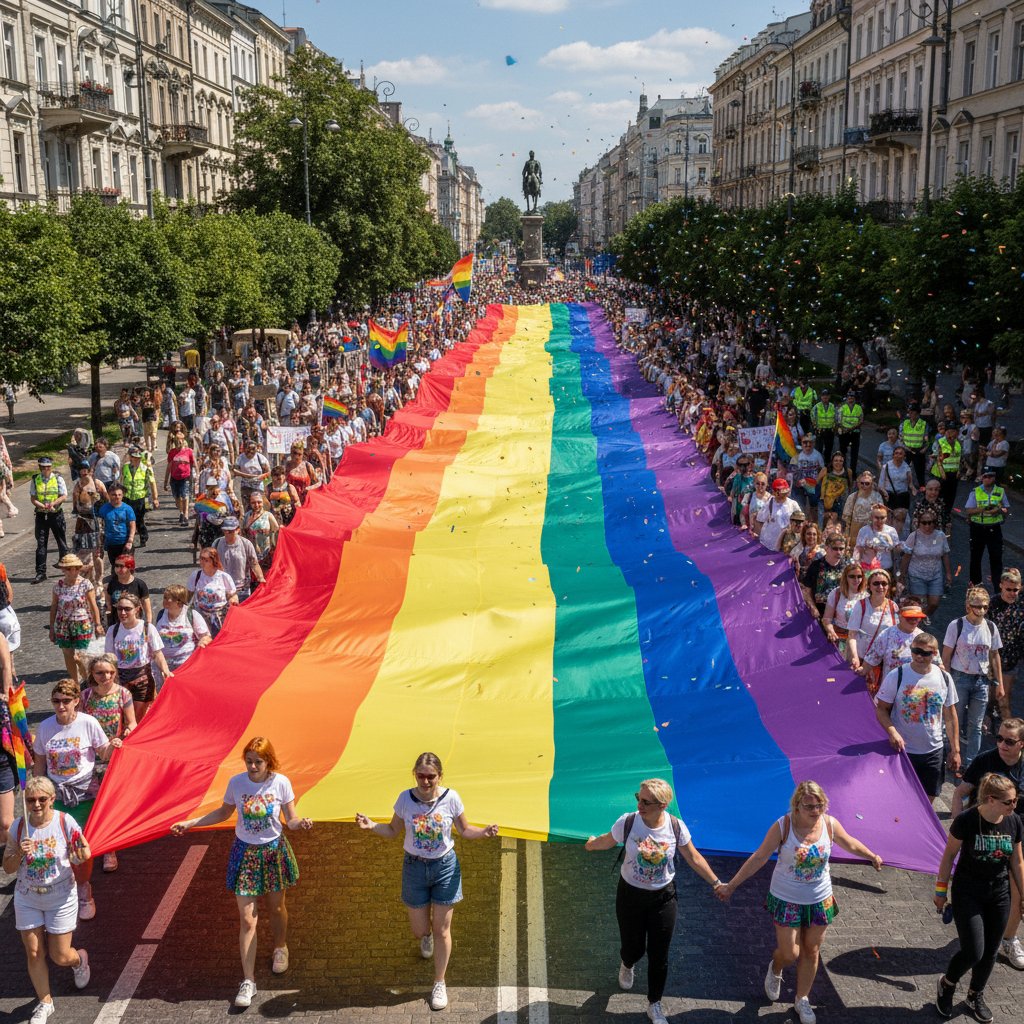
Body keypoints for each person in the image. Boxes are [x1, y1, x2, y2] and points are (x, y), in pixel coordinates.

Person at [715, 781, 882, 1024]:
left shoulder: (829, 824)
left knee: (812, 950)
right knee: (790, 952)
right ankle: (776, 967)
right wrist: (732, 885)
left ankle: (802, 999)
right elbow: (760, 857)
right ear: (797, 806)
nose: (816, 811)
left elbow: (850, 843)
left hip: (819, 899)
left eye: (820, 805)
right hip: (787, 899)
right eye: (809, 806)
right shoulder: (783, 826)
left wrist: (872, 855)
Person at [171, 737, 313, 1009]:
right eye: (248, 761)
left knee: (276, 908)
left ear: (269, 761)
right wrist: (190, 823)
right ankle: (248, 980)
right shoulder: (237, 783)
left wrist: (300, 824)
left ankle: (280, 947)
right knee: (247, 919)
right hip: (245, 854)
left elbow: (290, 819)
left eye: (258, 761)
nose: (252, 766)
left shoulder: (281, 783)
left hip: (273, 853)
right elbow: (224, 812)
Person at [354, 752, 499, 1012]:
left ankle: (439, 982)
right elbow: (392, 831)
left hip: (445, 867)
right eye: (421, 775)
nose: (425, 781)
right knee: (420, 929)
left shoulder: (451, 798)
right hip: (414, 868)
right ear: (415, 775)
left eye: (431, 776)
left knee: (443, 929)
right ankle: (425, 937)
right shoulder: (405, 799)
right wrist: (371, 826)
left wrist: (484, 833)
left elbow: (465, 830)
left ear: (439, 776)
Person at [584, 778, 722, 1024]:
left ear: (663, 805)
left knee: (660, 954)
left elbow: (693, 856)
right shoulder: (628, 822)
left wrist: (716, 883)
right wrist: (592, 845)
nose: (640, 805)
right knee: (633, 947)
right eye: (638, 798)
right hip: (630, 895)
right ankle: (627, 962)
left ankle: (654, 1004)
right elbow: (608, 840)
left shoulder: (675, 827)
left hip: (663, 898)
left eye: (647, 801)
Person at [2, 776, 92, 1024]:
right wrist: (19, 850)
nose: (37, 804)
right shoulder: (19, 827)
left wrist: (80, 853)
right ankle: (45, 1002)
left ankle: (79, 960)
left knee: (60, 956)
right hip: (27, 895)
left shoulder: (65, 821)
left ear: (52, 799)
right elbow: (8, 868)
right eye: (31, 800)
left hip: (60, 896)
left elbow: (84, 851)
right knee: (33, 952)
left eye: (43, 799)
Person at [934, 774, 1024, 1022]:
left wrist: (1023, 895)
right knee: (974, 950)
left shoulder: (1013, 821)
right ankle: (947, 983)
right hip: (968, 892)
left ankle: (975, 994)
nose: (1014, 806)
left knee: (991, 951)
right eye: (1009, 802)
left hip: (999, 893)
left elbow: (1017, 860)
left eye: (1015, 801)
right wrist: (940, 891)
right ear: (991, 799)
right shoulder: (967, 820)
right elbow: (949, 856)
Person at [32, 678, 123, 921]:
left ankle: (84, 893)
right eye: (55, 702)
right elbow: (40, 762)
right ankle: (67, 888)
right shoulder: (45, 727)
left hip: (84, 793)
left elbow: (102, 752)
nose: (60, 706)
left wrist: (112, 746)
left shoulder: (88, 723)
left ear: (76, 702)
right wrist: (36, 795)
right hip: (56, 795)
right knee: (60, 846)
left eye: (65, 701)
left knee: (80, 848)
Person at [951, 716, 1024, 972]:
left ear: (1021, 744)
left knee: (1018, 890)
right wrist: (959, 826)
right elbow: (960, 793)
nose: (1002, 744)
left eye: (1009, 741)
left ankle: (1009, 938)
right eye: (999, 738)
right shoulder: (985, 761)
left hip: (1016, 835)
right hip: (985, 834)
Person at [874, 632, 960, 803]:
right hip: (903, 750)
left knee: (930, 797)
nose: (919, 656)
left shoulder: (944, 678)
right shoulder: (896, 675)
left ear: (935, 654)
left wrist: (955, 750)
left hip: (933, 750)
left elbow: (950, 716)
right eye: (915, 651)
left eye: (925, 653)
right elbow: (881, 709)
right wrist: (893, 733)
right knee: (899, 797)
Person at [80, 653, 136, 874]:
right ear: (92, 674)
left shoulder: (123, 694)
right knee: (93, 800)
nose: (106, 677)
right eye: (100, 673)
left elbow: (132, 722)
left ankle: (109, 848)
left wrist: (126, 734)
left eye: (110, 672)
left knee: (109, 800)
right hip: (90, 755)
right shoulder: (84, 696)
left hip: (114, 753)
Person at [942, 588, 1005, 770]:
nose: (982, 610)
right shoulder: (956, 625)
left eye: (985, 606)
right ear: (968, 606)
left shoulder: (991, 627)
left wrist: (999, 683)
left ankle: (970, 764)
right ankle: (952, 756)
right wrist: (945, 680)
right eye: (978, 606)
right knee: (954, 719)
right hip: (959, 677)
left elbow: (995, 656)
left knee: (976, 725)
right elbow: (946, 655)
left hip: (981, 680)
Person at [105, 592, 172, 723]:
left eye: (127, 609)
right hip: (121, 679)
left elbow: (157, 653)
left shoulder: (146, 628)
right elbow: (109, 658)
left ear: (137, 609)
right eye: (119, 609)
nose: (123, 612)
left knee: (140, 717)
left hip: (143, 679)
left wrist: (165, 670)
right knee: (123, 718)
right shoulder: (113, 630)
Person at [48, 555, 104, 682]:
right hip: (63, 625)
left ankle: (87, 681)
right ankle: (76, 684)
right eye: (68, 569)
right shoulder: (58, 586)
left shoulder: (85, 584)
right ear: (63, 570)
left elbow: (93, 604)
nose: (72, 572)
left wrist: (98, 624)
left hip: (82, 624)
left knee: (80, 656)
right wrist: (52, 627)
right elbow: (54, 606)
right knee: (68, 655)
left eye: (75, 569)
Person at [153, 585, 211, 686]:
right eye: (164, 597)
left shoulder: (191, 614)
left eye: (168, 598)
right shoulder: (161, 614)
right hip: (164, 666)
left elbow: (206, 637)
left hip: (185, 666)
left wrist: (203, 642)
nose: (164, 600)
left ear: (179, 602)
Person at [898, 512, 952, 619]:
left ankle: (922, 618)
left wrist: (948, 573)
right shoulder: (914, 536)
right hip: (917, 575)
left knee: (934, 603)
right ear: (919, 523)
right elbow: (906, 557)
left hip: (935, 575)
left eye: (930, 522)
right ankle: (918, 624)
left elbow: (945, 555)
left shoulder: (940, 536)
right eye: (924, 523)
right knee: (920, 603)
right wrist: (902, 575)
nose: (927, 525)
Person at [846, 569, 898, 677]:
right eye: (876, 583)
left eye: (884, 583)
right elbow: (852, 634)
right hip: (862, 659)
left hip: (884, 662)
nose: (880, 587)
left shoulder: (893, 606)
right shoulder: (861, 605)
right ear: (869, 586)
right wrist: (855, 657)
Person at [859, 599, 928, 681]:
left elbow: (935, 665)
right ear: (900, 616)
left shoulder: (924, 638)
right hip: (890, 687)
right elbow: (870, 662)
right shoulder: (886, 634)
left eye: (917, 618)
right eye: (909, 617)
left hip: (913, 690)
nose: (913, 621)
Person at [966, 469, 1009, 587]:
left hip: (994, 529)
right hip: (978, 528)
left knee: (996, 557)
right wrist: (984, 509)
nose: (987, 479)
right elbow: (969, 510)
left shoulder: (1000, 491)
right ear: (982, 478)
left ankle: (997, 586)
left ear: (994, 478)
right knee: (975, 558)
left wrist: (999, 510)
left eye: (990, 476)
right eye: (985, 476)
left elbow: (1006, 510)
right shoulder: (975, 491)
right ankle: (975, 585)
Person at [989, 569, 1023, 721]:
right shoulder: (991, 604)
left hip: (1011, 661)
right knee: (990, 698)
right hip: (990, 660)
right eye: (1008, 589)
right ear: (1001, 585)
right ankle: (986, 723)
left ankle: (1010, 738)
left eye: (1015, 590)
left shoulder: (1021, 606)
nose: (1012, 593)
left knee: (1004, 698)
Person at [31, 457, 69, 585]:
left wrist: (53, 503)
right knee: (41, 544)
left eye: (48, 467)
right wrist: (40, 505)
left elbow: (64, 495)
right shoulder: (35, 479)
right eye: (44, 467)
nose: (46, 469)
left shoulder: (58, 478)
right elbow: (33, 498)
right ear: (40, 467)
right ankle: (41, 572)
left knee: (61, 542)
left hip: (56, 513)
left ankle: (67, 569)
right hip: (42, 515)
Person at [188, 547, 239, 637]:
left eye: (206, 560)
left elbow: (233, 596)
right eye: (201, 559)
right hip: (201, 618)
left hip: (220, 618)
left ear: (213, 561)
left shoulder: (224, 577)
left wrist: (233, 601)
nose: (202, 562)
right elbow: (188, 596)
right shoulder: (195, 576)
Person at [821, 563, 867, 660]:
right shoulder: (836, 593)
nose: (856, 580)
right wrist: (831, 631)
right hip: (840, 641)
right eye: (852, 576)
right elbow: (826, 619)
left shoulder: (866, 597)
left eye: (859, 576)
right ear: (845, 577)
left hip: (859, 642)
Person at [214, 518, 265, 601]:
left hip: (242, 591)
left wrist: (261, 578)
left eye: (230, 531)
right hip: (222, 589)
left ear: (238, 530)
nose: (227, 534)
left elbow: (254, 564)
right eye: (225, 531)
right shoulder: (217, 543)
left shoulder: (246, 544)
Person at [120, 447, 158, 548]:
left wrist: (155, 498)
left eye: (138, 458)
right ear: (130, 457)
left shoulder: (146, 469)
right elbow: (121, 480)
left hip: (141, 498)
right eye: (133, 457)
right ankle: (129, 539)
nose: (136, 459)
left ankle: (143, 536)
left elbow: (152, 483)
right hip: (127, 497)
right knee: (128, 519)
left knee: (139, 519)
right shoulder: (125, 467)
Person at [96, 483, 136, 568]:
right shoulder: (104, 509)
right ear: (109, 495)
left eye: (119, 495)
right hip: (111, 544)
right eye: (114, 495)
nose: (117, 497)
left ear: (122, 495)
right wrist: (99, 545)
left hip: (125, 543)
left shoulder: (128, 509)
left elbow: (132, 525)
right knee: (115, 567)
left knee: (126, 568)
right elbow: (100, 527)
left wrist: (130, 541)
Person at [104, 554, 152, 626]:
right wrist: (108, 607)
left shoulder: (139, 584)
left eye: (121, 566)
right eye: (116, 566)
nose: (118, 569)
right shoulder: (112, 583)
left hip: (134, 623)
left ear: (130, 568)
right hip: (116, 623)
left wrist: (148, 623)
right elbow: (108, 596)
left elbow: (147, 607)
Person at [878, 445, 915, 536]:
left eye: (900, 453)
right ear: (893, 455)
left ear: (904, 456)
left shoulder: (907, 468)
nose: (898, 455)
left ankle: (899, 539)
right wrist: (884, 492)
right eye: (896, 453)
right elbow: (880, 484)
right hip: (890, 496)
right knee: (889, 519)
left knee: (901, 520)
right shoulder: (886, 467)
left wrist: (913, 489)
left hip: (902, 496)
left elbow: (910, 483)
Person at [757, 479, 801, 552]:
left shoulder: (793, 504)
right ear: (774, 492)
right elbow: (760, 518)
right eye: (778, 491)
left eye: (784, 491)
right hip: (770, 543)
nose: (781, 494)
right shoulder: (770, 503)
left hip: (788, 542)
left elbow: (801, 522)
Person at [930, 421, 963, 520]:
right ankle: (936, 514)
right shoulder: (940, 442)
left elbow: (960, 458)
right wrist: (942, 472)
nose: (951, 433)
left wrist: (959, 471)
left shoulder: (958, 443)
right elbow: (937, 457)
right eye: (949, 431)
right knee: (939, 495)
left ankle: (946, 514)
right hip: (940, 474)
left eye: (953, 431)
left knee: (951, 496)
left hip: (953, 473)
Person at [854, 504, 900, 572]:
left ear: (886, 518)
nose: (880, 520)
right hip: (867, 568)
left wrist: (892, 546)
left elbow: (897, 550)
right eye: (877, 518)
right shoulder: (864, 530)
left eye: (882, 518)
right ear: (871, 517)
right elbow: (858, 549)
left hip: (886, 568)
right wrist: (857, 564)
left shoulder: (891, 531)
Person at [164, 430, 196, 526]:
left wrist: (196, 475)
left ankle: (186, 515)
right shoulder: (172, 452)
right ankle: (181, 512)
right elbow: (169, 467)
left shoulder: (189, 451)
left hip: (185, 477)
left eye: (181, 439)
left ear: (184, 440)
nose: (180, 441)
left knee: (185, 496)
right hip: (174, 478)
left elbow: (193, 464)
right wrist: (165, 482)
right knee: (177, 498)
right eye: (178, 439)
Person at [898, 401, 930, 485]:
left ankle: (922, 489)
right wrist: (905, 448)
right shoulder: (904, 423)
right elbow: (900, 438)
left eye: (912, 411)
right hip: (906, 451)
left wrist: (925, 448)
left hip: (919, 451)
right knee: (903, 471)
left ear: (917, 413)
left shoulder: (923, 424)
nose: (910, 413)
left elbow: (927, 439)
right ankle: (902, 487)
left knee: (920, 473)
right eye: (909, 411)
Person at [836, 391, 864, 470]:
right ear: (847, 398)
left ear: (855, 398)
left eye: (852, 397)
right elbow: (838, 420)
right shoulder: (842, 407)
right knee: (842, 453)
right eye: (849, 397)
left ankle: (853, 471)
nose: (851, 398)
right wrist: (843, 429)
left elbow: (861, 420)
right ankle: (842, 469)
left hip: (855, 432)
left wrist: (851, 428)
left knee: (854, 454)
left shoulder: (858, 408)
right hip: (844, 433)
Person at [809, 388, 836, 462]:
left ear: (829, 396)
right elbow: (812, 416)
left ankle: (827, 464)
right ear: (821, 397)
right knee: (819, 449)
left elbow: (836, 417)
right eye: (823, 395)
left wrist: (834, 427)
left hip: (830, 431)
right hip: (820, 431)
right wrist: (815, 427)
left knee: (829, 449)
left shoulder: (832, 406)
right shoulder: (816, 407)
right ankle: (819, 465)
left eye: (827, 395)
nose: (825, 397)